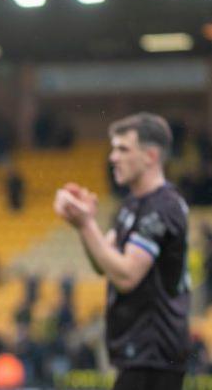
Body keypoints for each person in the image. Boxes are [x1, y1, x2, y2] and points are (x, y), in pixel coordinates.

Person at [54, 113, 189, 390]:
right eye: (113, 148)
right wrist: (83, 225)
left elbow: (127, 276)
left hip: (155, 355)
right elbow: (104, 264)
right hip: (137, 352)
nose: (113, 157)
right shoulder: (130, 206)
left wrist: (87, 224)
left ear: (151, 156)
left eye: (123, 149)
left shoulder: (163, 207)